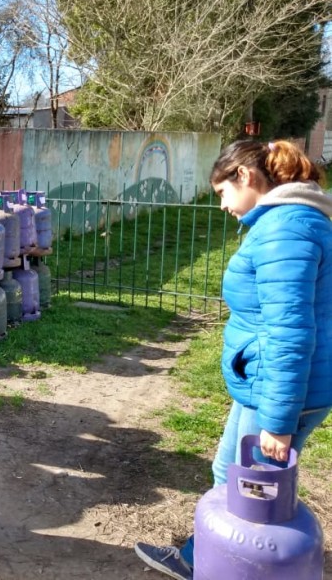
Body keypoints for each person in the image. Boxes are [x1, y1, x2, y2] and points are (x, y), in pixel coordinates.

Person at [135, 139, 332, 579]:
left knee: (253, 496)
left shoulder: (287, 229)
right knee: (230, 473)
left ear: (244, 176)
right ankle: (201, 556)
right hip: (264, 385)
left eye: (221, 192)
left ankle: (232, 567)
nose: (222, 205)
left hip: (278, 392)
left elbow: (290, 332)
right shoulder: (290, 220)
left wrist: (278, 420)